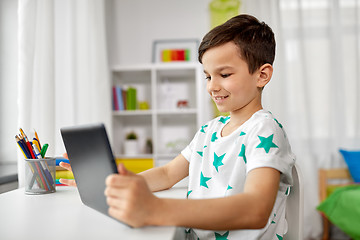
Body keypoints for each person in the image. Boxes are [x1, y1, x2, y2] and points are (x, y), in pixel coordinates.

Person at [60, 14, 295, 240]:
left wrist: (156, 208)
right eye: (208, 76)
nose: (212, 87)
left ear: (262, 75)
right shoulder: (209, 131)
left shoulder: (264, 130)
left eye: (224, 74)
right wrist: (112, 183)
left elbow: (255, 210)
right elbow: (167, 173)